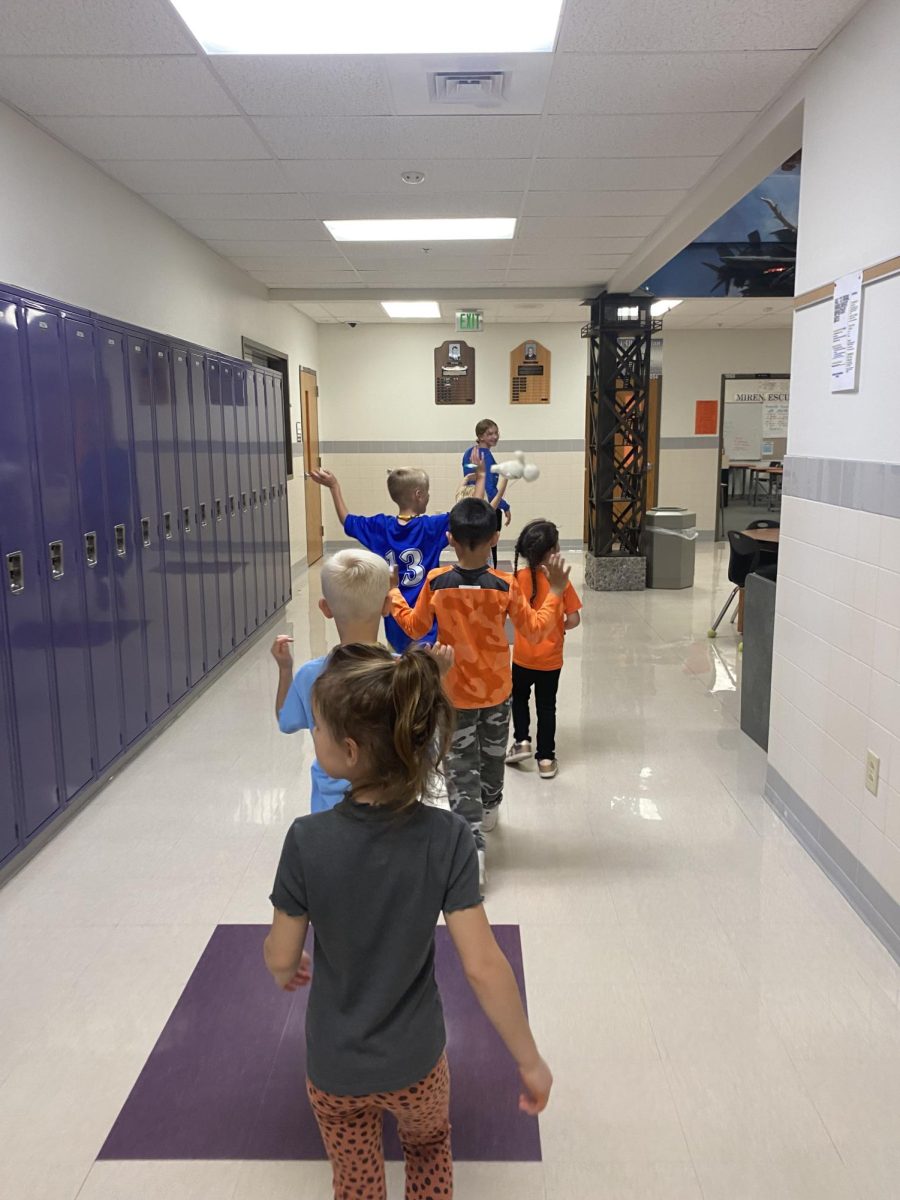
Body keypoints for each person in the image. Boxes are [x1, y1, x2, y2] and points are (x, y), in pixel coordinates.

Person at [264, 644, 553, 1200]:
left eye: (318, 726)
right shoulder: (446, 838)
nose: (315, 735)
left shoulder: (307, 840)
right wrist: (529, 1059)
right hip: (417, 1062)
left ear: (347, 752)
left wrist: (283, 966)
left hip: (335, 1067)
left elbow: (281, 955)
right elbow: (484, 967)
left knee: (354, 1179)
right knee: (427, 1147)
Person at [390, 497, 570, 884]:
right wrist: (555, 590)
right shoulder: (505, 586)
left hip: (453, 695)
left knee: (460, 773)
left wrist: (391, 595)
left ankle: (473, 851)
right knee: (491, 758)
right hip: (497, 693)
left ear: (450, 539)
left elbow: (413, 626)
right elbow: (536, 629)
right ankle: (489, 811)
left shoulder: (436, 582)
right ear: (495, 538)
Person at [310, 455, 493, 653]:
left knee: (399, 665)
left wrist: (334, 487)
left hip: (395, 615)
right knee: (426, 670)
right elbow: (470, 512)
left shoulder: (380, 527)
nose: (429, 496)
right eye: (427, 492)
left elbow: (347, 521)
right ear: (418, 495)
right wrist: (481, 476)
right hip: (426, 619)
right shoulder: (430, 527)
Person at [270, 548, 390, 813]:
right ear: (387, 605)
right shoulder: (403, 671)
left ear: (325, 608)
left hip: (329, 814)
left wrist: (285, 670)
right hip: (391, 808)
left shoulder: (310, 675)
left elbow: (286, 721)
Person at [505, 520, 582, 780]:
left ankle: (522, 740)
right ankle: (546, 759)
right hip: (551, 661)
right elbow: (574, 620)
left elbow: (511, 617)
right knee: (547, 707)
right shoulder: (561, 582)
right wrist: (556, 627)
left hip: (523, 658)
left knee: (519, 698)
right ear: (552, 551)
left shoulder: (516, 579)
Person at [461, 419, 510, 569]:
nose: (495, 436)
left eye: (496, 433)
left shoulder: (469, 452)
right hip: (485, 507)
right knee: (489, 548)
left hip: (469, 505)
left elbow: (467, 479)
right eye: (490, 434)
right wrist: (505, 506)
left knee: (472, 547)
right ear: (480, 436)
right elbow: (489, 488)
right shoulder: (485, 455)